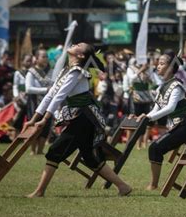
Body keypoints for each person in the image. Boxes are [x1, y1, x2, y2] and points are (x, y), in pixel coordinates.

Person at [23, 43, 132, 198]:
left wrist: (44, 119)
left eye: (79, 45)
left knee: (55, 152)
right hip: (82, 117)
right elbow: (50, 95)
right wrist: (34, 119)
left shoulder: (77, 72)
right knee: (89, 157)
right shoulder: (66, 71)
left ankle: (39, 191)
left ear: (80, 56)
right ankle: (123, 186)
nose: (75, 44)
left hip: (84, 117)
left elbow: (60, 96)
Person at [134, 52, 186, 191]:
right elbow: (156, 108)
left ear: (171, 67)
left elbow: (170, 108)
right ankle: (154, 184)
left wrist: (150, 118)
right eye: (158, 63)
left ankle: (153, 185)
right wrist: (145, 116)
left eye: (162, 63)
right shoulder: (162, 87)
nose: (158, 66)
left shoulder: (176, 85)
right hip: (180, 126)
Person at [26, 48, 53, 155]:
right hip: (34, 103)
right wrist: (45, 90)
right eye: (43, 56)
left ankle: (40, 150)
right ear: (36, 59)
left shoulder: (50, 71)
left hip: (48, 103)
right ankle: (33, 150)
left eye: (46, 56)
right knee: (34, 126)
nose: (46, 58)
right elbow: (28, 89)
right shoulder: (31, 72)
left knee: (46, 125)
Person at [12, 54, 33, 133]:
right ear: (22, 62)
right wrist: (16, 96)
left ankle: (28, 137)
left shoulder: (32, 72)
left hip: (30, 98)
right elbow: (15, 86)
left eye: (30, 61)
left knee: (30, 117)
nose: (29, 63)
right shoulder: (18, 73)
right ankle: (15, 137)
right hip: (21, 99)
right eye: (27, 61)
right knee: (19, 119)